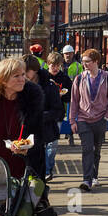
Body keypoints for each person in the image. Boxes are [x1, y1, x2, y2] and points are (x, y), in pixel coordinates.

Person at [68, 48, 108, 191]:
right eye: (83, 62)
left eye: (87, 61)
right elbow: (74, 101)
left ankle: (94, 176)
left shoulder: (107, 77)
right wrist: (72, 120)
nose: (84, 64)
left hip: (100, 119)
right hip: (83, 119)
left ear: (96, 61)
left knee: (96, 150)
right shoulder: (79, 79)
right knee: (87, 149)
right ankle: (86, 180)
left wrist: (107, 117)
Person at [24, 54, 62, 178]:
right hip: (23, 134)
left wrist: (40, 116)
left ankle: (46, 173)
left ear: (34, 71)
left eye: (26, 71)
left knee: (39, 168)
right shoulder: (19, 85)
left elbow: (57, 111)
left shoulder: (50, 86)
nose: (23, 75)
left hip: (43, 132)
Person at [44, 51, 72, 181]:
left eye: (57, 65)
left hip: (58, 115)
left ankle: (48, 169)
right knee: (43, 144)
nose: (55, 68)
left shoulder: (65, 79)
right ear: (48, 64)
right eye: (52, 65)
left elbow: (69, 96)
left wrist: (62, 95)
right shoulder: (43, 77)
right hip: (43, 114)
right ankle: (44, 168)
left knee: (53, 144)